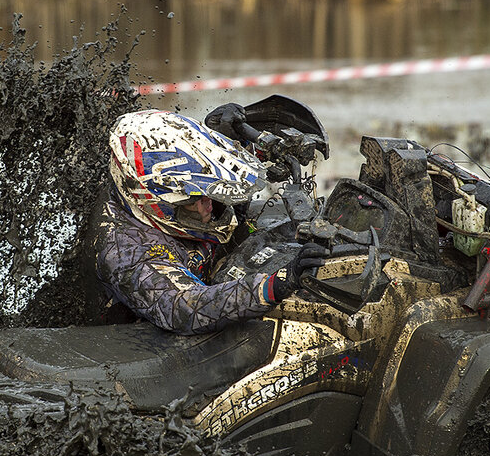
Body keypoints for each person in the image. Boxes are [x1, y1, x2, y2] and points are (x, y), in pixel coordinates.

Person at [92, 108, 327, 334]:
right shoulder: (125, 253)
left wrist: (232, 140)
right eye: (195, 201)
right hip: (157, 342)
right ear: (155, 203)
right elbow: (184, 307)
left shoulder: (161, 179)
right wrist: (277, 284)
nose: (210, 205)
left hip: (216, 266)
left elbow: (203, 169)